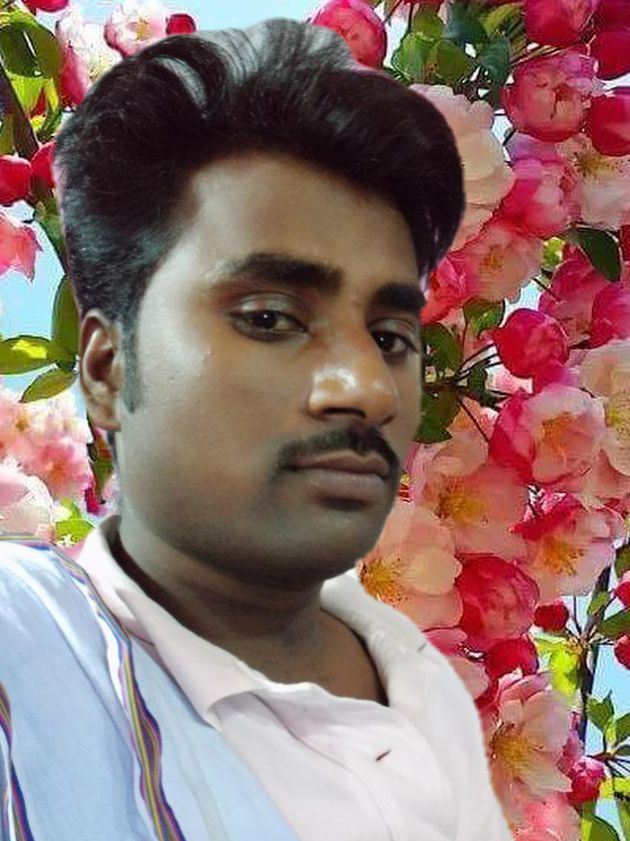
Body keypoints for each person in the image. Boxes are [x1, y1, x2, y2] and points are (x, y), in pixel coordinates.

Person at [0, 18, 513, 841]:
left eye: (390, 336)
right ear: (105, 369)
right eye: (270, 316)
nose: (363, 387)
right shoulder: (27, 642)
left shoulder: (425, 712)